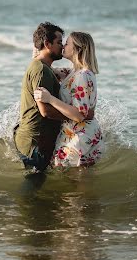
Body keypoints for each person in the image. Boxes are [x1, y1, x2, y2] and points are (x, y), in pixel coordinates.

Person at [34, 31, 103, 167]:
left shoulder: (83, 75)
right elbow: (50, 69)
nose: (63, 46)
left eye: (67, 43)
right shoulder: (73, 72)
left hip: (81, 137)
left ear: (78, 48)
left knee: (79, 184)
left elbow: (79, 115)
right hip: (73, 133)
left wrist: (50, 99)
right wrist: (40, 51)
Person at [13, 22, 66, 172]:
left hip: (31, 140)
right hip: (35, 144)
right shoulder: (41, 70)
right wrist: (76, 116)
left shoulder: (41, 66)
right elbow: (45, 111)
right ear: (47, 44)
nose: (62, 46)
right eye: (59, 42)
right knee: (33, 189)